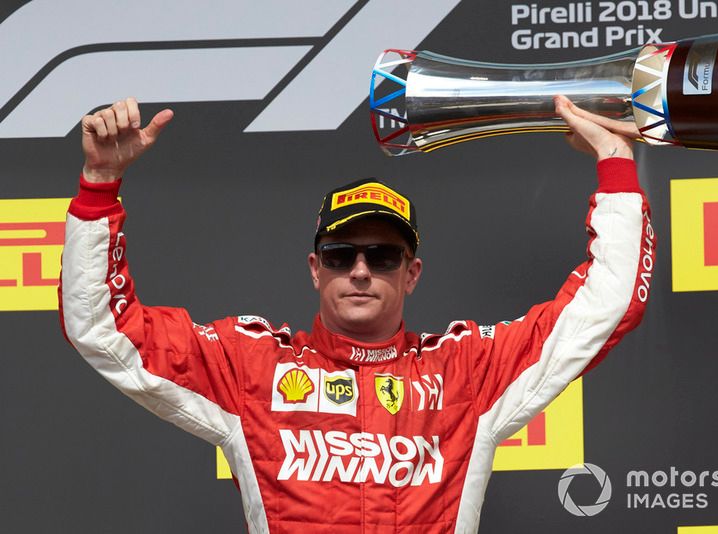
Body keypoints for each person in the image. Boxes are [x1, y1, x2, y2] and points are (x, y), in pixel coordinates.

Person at [59, 95, 654, 534]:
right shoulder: (251, 367)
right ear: (316, 269)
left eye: (384, 254)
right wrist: (100, 185)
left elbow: (606, 307)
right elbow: (106, 331)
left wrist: (614, 158)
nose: (362, 270)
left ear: (411, 272)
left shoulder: (466, 373)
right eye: (342, 255)